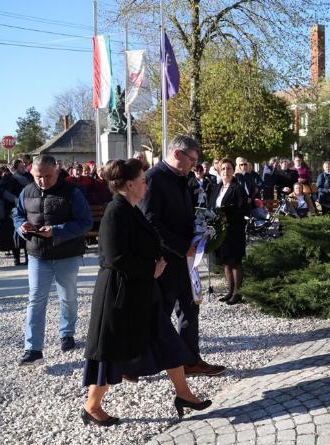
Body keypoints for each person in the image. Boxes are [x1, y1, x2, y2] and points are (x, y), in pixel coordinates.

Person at [81, 159, 211, 426]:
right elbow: (114, 258)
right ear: (129, 184)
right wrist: (150, 269)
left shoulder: (130, 208)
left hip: (141, 292)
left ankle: (184, 394)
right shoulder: (115, 212)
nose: (146, 184)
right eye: (142, 180)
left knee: (167, 340)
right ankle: (92, 406)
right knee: (111, 353)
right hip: (120, 295)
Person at [139, 135, 225, 377]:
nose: (194, 166)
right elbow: (150, 220)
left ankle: (190, 360)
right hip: (165, 260)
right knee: (161, 313)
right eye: (192, 159)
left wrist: (199, 235)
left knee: (189, 308)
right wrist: (180, 247)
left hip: (185, 258)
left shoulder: (182, 178)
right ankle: (137, 363)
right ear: (177, 154)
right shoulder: (154, 179)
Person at [12, 155, 92, 366]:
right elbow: (17, 214)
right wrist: (21, 227)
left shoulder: (72, 192)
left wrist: (56, 232)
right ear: (32, 173)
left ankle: (67, 333)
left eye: (48, 176)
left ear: (57, 171)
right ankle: (33, 349)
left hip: (67, 254)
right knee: (36, 299)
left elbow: (85, 222)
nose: (43, 181)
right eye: (39, 176)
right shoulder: (26, 191)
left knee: (68, 297)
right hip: (38, 254)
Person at [208, 158, 249, 304]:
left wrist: (228, 212)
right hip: (221, 230)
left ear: (233, 171)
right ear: (219, 170)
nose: (226, 171)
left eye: (229, 168)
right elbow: (211, 206)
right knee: (226, 261)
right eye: (223, 168)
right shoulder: (216, 188)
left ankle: (238, 293)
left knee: (235, 261)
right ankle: (230, 291)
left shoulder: (237, 188)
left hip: (234, 229)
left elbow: (244, 209)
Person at [0, 162, 29, 266]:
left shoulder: (27, 176)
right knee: (12, 235)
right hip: (10, 209)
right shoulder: (6, 178)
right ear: (15, 168)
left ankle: (27, 258)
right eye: (21, 167)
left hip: (26, 208)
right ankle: (16, 258)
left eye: (24, 166)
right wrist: (14, 199)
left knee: (27, 233)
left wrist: (16, 175)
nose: (24, 168)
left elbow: (28, 184)